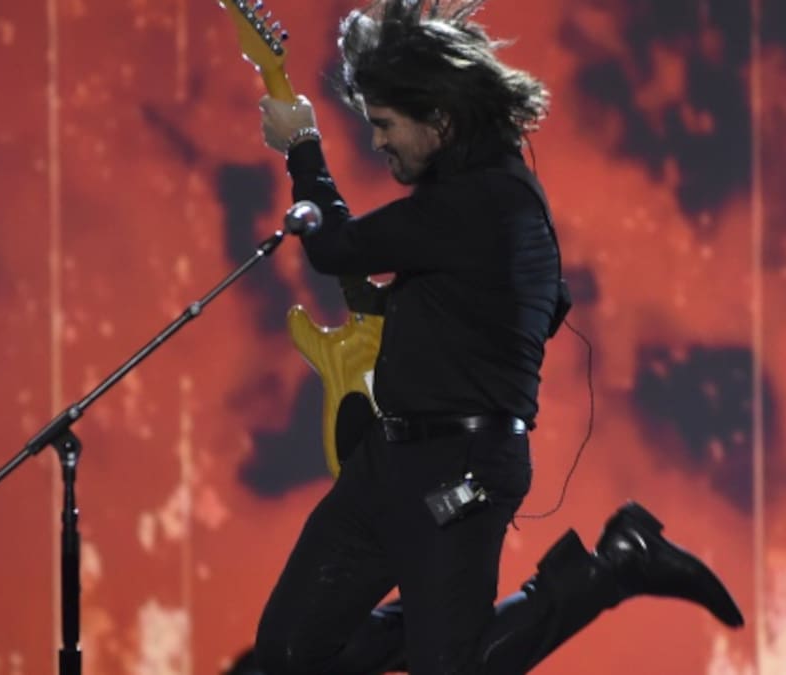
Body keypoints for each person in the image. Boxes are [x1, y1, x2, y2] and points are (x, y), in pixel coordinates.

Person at [252, 1, 744, 673]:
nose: (379, 141)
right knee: (290, 650)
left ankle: (614, 565)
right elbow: (505, 309)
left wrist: (302, 143)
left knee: (451, 664)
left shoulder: (488, 199)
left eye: (386, 124)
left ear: (440, 120)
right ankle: (449, 630)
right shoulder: (473, 202)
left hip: (460, 470)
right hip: (388, 463)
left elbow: (335, 245)